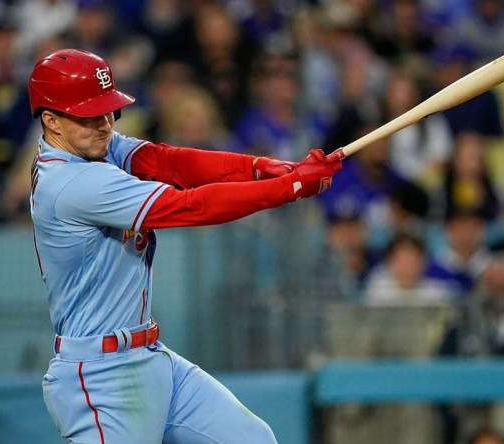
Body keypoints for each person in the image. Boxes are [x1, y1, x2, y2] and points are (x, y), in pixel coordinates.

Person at [27, 49, 343, 443]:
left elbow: (169, 162)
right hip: (99, 377)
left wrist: (258, 168)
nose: (105, 124)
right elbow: (191, 206)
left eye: (108, 111)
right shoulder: (71, 185)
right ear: (51, 120)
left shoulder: (93, 147)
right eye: (89, 114)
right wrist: (289, 187)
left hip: (149, 354)